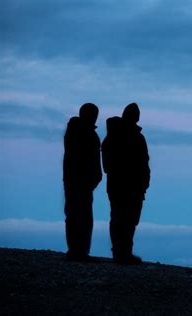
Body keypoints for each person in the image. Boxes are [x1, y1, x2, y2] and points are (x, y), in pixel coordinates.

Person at [102, 103, 150, 264]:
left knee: (128, 220)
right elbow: (108, 164)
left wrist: (144, 183)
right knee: (121, 219)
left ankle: (124, 252)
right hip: (122, 186)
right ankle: (120, 253)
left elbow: (144, 163)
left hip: (132, 186)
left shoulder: (135, 137)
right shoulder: (117, 136)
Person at [63, 103, 102, 262]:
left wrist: (94, 179)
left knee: (80, 216)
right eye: (93, 113)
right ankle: (77, 251)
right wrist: (88, 179)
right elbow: (80, 159)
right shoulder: (81, 132)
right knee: (79, 216)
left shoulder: (84, 133)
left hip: (81, 182)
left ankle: (79, 250)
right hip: (78, 182)